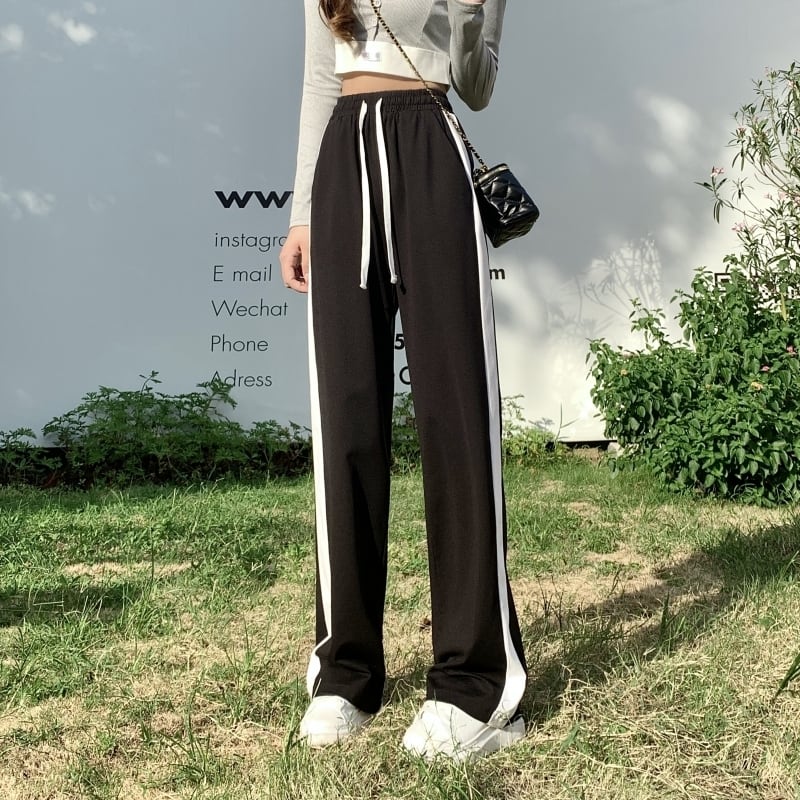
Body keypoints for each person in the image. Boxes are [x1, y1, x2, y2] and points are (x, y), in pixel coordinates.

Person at [279, 0, 527, 761]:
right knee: (346, 417)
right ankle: (344, 672)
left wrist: (472, 13)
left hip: (429, 147)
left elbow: (476, 85)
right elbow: (320, 76)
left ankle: (477, 685)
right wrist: (302, 212)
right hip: (343, 156)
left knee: (456, 417)